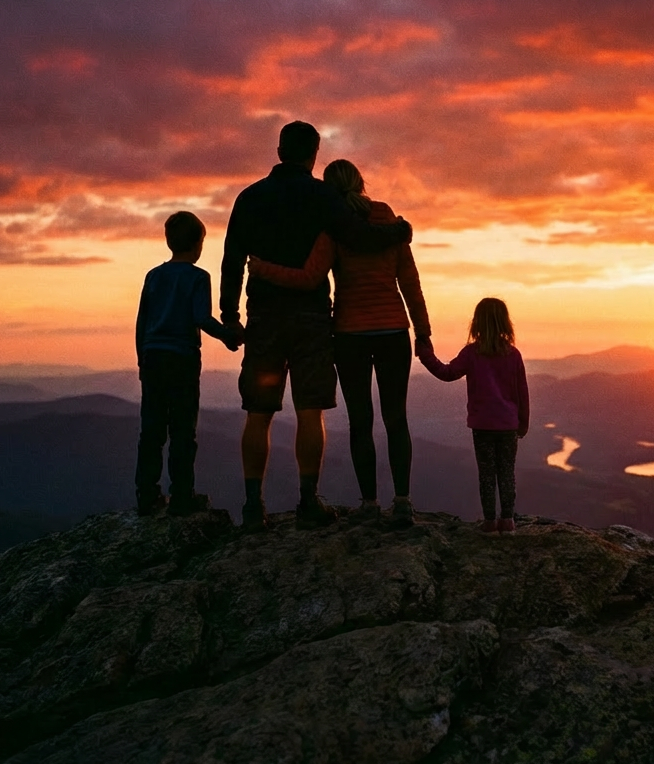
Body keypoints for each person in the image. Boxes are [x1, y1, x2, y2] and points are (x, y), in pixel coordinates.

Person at [220, 121, 412, 531]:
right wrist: (399, 231)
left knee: (258, 410)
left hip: (264, 316)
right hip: (310, 318)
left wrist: (230, 316)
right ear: (313, 155)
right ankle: (308, 501)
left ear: (278, 151)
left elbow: (232, 258)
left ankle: (254, 506)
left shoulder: (250, 197)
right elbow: (358, 237)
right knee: (310, 409)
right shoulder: (323, 197)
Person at [135, 211, 239, 516]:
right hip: (182, 360)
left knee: (151, 430)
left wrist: (142, 358)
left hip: (153, 357)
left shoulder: (154, 276)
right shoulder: (198, 277)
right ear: (197, 244)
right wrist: (228, 336)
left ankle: (146, 495)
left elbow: (142, 321)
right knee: (183, 430)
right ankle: (181, 496)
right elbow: (201, 318)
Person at [415, 298, 529, 534]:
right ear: (505, 323)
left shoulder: (471, 353)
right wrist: (523, 423)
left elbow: (446, 373)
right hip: (508, 426)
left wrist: (426, 354)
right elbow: (522, 393)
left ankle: (489, 522)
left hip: (483, 426)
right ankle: (507, 521)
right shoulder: (513, 355)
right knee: (507, 472)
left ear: (476, 322)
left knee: (487, 474)